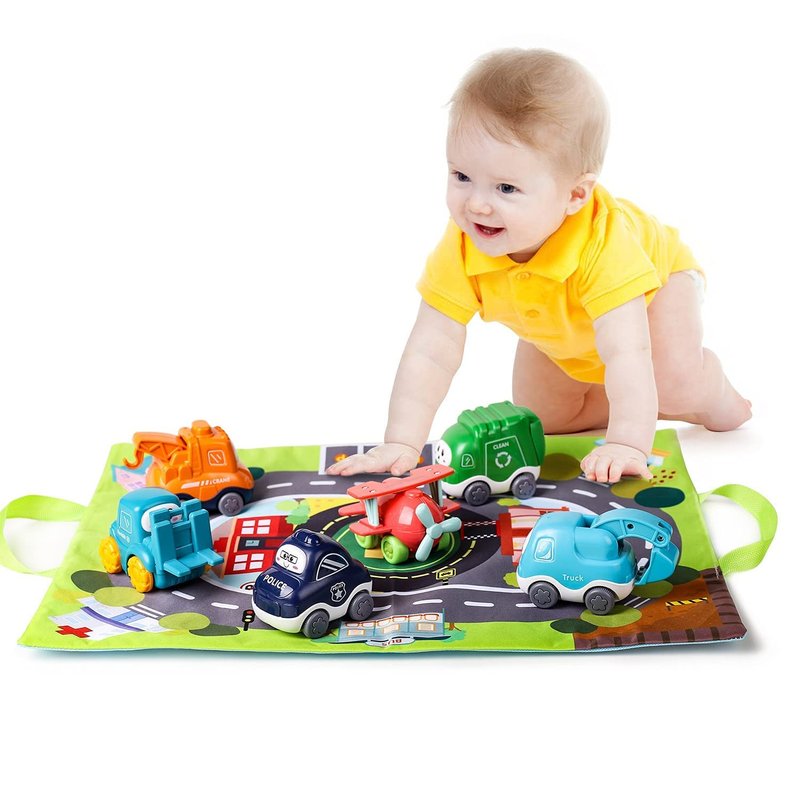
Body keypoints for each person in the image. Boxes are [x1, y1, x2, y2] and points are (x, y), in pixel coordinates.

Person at [328, 48, 751, 484]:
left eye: (506, 188)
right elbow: (430, 350)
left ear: (575, 195)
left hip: (655, 291)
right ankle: (635, 400)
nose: (477, 204)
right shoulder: (463, 245)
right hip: (563, 321)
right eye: (462, 176)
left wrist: (627, 441)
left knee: (673, 379)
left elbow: (627, 351)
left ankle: (712, 392)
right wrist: (402, 442)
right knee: (547, 420)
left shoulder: (605, 246)